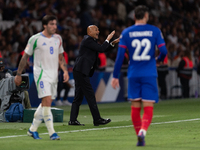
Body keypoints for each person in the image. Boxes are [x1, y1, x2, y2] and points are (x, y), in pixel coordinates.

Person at [111, 5, 167, 146]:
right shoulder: (154, 31)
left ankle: (139, 137)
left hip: (133, 73)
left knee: (135, 106)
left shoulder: (126, 33)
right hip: (149, 73)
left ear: (134, 17)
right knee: (148, 106)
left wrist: (115, 76)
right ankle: (143, 131)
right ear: (147, 16)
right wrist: (158, 60)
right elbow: (164, 51)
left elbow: (119, 57)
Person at [14, 15, 69, 140]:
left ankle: (32, 129)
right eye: (51, 24)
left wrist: (65, 70)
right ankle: (52, 133)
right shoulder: (35, 39)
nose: (54, 26)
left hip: (54, 75)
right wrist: (18, 74)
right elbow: (24, 57)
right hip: (41, 74)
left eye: (55, 24)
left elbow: (61, 57)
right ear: (45, 25)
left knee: (46, 102)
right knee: (48, 100)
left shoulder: (58, 39)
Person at [68, 25, 119, 126]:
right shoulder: (88, 40)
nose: (98, 31)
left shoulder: (90, 41)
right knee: (90, 96)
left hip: (80, 71)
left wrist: (113, 43)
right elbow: (101, 49)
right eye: (96, 30)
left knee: (78, 97)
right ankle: (97, 119)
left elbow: (102, 48)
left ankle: (72, 120)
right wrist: (108, 39)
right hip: (81, 71)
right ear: (89, 32)